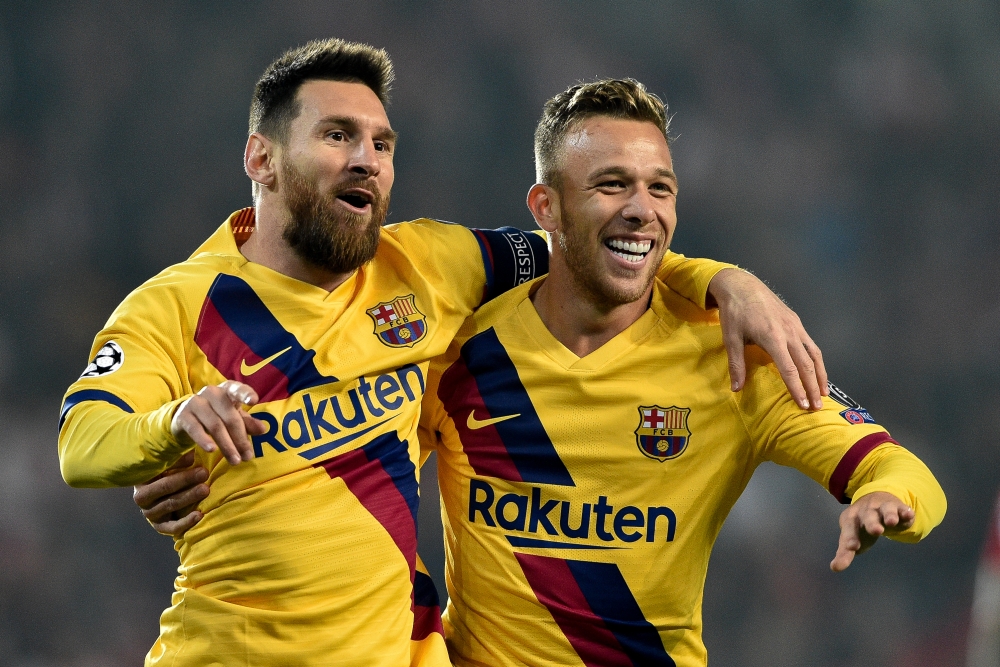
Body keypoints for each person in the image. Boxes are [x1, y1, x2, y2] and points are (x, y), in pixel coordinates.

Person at [62, 39, 825, 667]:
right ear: (261, 159)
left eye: (382, 143)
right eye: (338, 136)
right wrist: (168, 426)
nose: (368, 157)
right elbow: (83, 439)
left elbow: (594, 246)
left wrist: (724, 279)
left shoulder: (429, 263)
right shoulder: (176, 304)